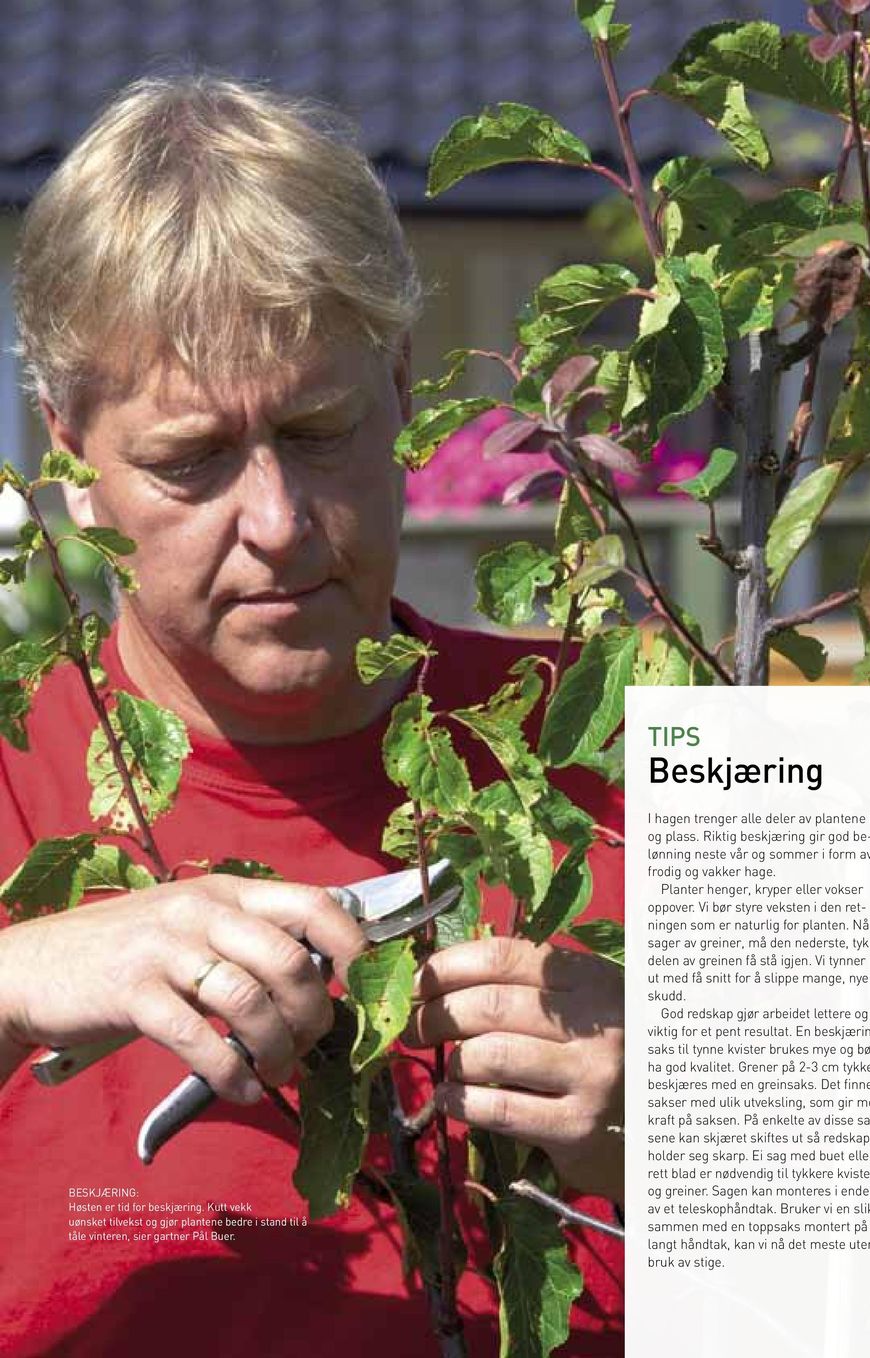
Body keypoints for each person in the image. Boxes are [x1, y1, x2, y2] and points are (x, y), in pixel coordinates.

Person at [0, 75, 625, 1356]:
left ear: (401, 387)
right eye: (190, 461)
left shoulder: (638, 743)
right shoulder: (17, 779)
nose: (277, 522)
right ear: (68, 456)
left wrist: (729, 1136)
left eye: (319, 426)